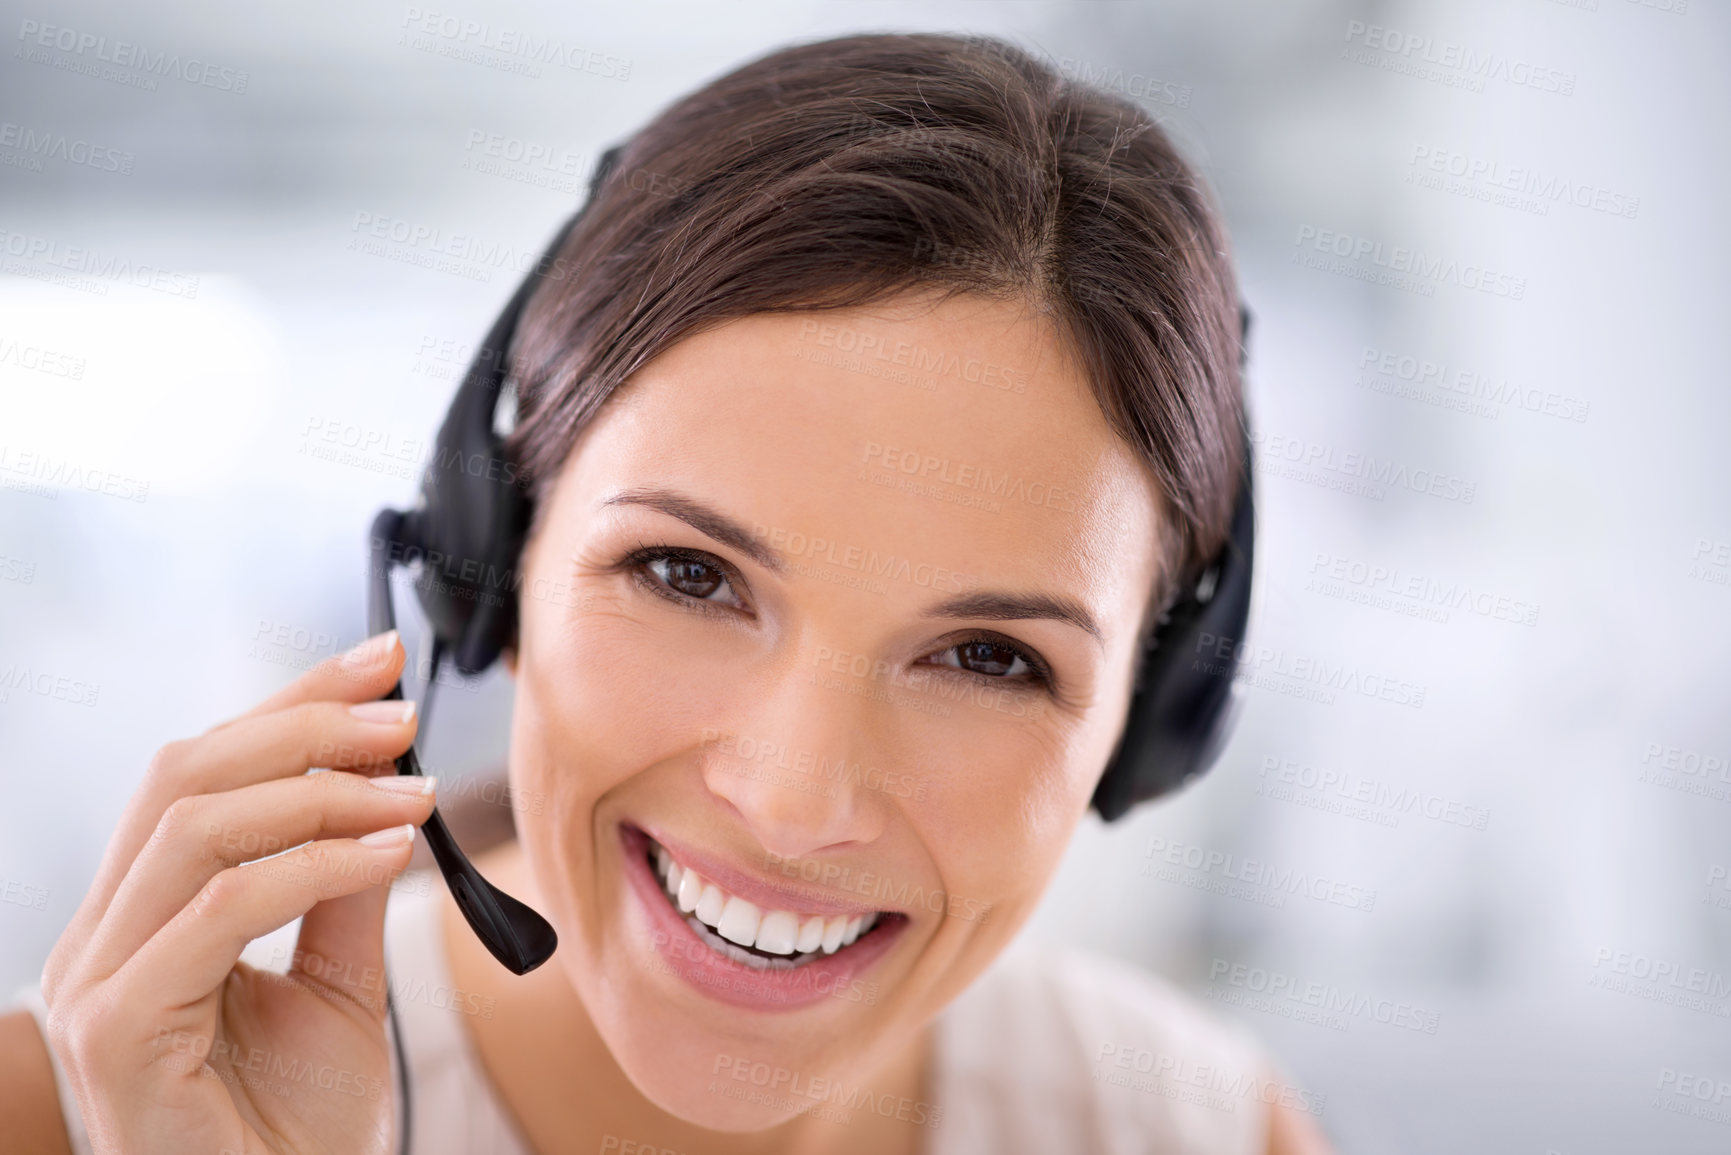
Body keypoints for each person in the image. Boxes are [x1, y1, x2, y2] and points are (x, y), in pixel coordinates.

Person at [0, 31, 1334, 1155]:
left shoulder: (1186, 1126)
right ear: (496, 561)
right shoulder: (77, 1110)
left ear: (1150, 721)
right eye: (690, 575)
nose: (795, 803)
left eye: (989, 656)